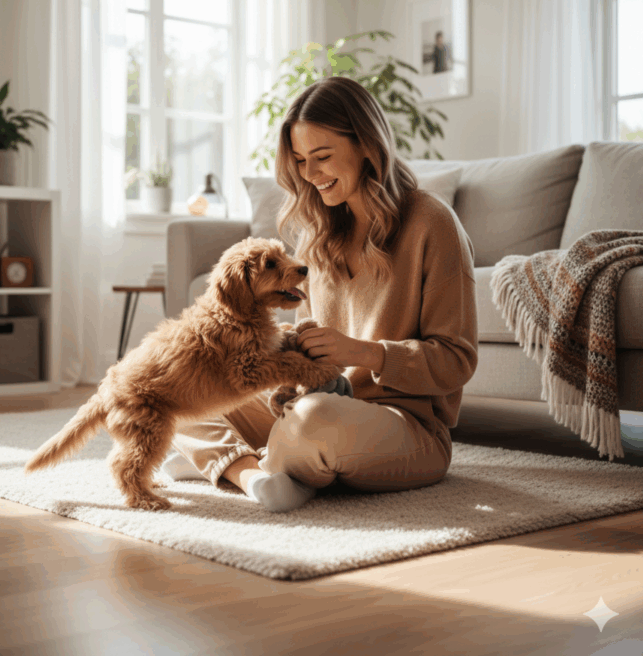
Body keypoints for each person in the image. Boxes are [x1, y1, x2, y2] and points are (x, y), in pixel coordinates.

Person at [162, 75, 478, 512]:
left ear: (367, 145)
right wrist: (285, 382)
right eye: (300, 160)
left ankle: (223, 459)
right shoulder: (317, 237)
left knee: (313, 424)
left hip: (408, 427)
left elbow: (456, 361)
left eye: (323, 156)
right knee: (178, 392)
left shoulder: (431, 223)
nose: (309, 175)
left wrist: (365, 353)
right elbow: (304, 362)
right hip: (319, 403)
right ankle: (254, 476)